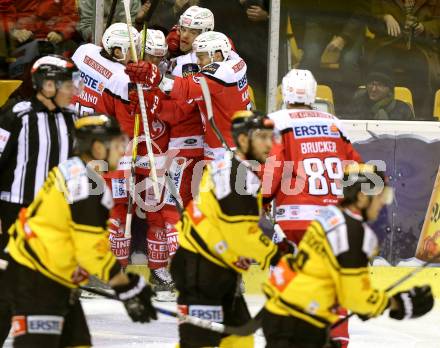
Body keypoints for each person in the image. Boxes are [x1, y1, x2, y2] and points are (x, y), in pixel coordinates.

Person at [2, 114, 157, 347]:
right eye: (116, 145)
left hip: (47, 275)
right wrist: (124, 285)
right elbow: (90, 249)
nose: (121, 151)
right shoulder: (86, 185)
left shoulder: (72, 169)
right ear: (97, 147)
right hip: (36, 280)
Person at [261, 163, 434, 348]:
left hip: (283, 311)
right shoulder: (355, 233)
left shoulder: (329, 216)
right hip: (299, 322)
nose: (382, 203)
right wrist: (396, 304)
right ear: (361, 197)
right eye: (379, 197)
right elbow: (355, 297)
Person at [170, 110, 290, 348]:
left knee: (239, 336)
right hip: (200, 269)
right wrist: (276, 255)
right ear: (244, 140)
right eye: (262, 137)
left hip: (214, 266)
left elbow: (230, 230)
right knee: (199, 344)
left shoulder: (231, 166)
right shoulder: (238, 175)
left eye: (270, 137)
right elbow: (240, 235)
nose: (269, 144)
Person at [262, 68, 363, 347]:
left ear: (284, 92)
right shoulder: (334, 123)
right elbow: (356, 168)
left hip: (296, 220)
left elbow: (272, 169)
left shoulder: (276, 122)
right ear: (313, 93)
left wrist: (259, 202)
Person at [0, 54, 80, 346]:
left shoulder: (71, 118)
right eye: (65, 83)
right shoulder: (15, 115)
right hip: (17, 213)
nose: (72, 89)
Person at [368, 0, 440, 120]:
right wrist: (385, 17)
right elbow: (369, 20)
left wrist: (424, 27)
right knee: (380, 69)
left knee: (422, 70)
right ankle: (378, 116)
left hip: (421, 46)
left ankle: (419, 118)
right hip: (388, 43)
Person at [345, 68, 415, 120]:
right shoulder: (356, 106)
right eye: (371, 84)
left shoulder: (403, 109)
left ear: (389, 89)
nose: (373, 89)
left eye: (380, 85)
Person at [77, 0, 141, 42]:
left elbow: (132, 31)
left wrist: (139, 20)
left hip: (124, 43)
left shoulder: (133, 1)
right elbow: (85, 30)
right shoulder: (87, 1)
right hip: (95, 43)